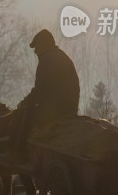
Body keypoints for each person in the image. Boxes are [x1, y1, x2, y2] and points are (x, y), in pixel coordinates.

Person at [7, 29, 80, 164]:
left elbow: (40, 90)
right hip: (70, 106)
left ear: (44, 45)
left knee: (20, 116)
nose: (35, 51)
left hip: (56, 109)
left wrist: (25, 102)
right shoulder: (62, 56)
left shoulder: (47, 60)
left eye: (37, 47)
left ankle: (18, 154)